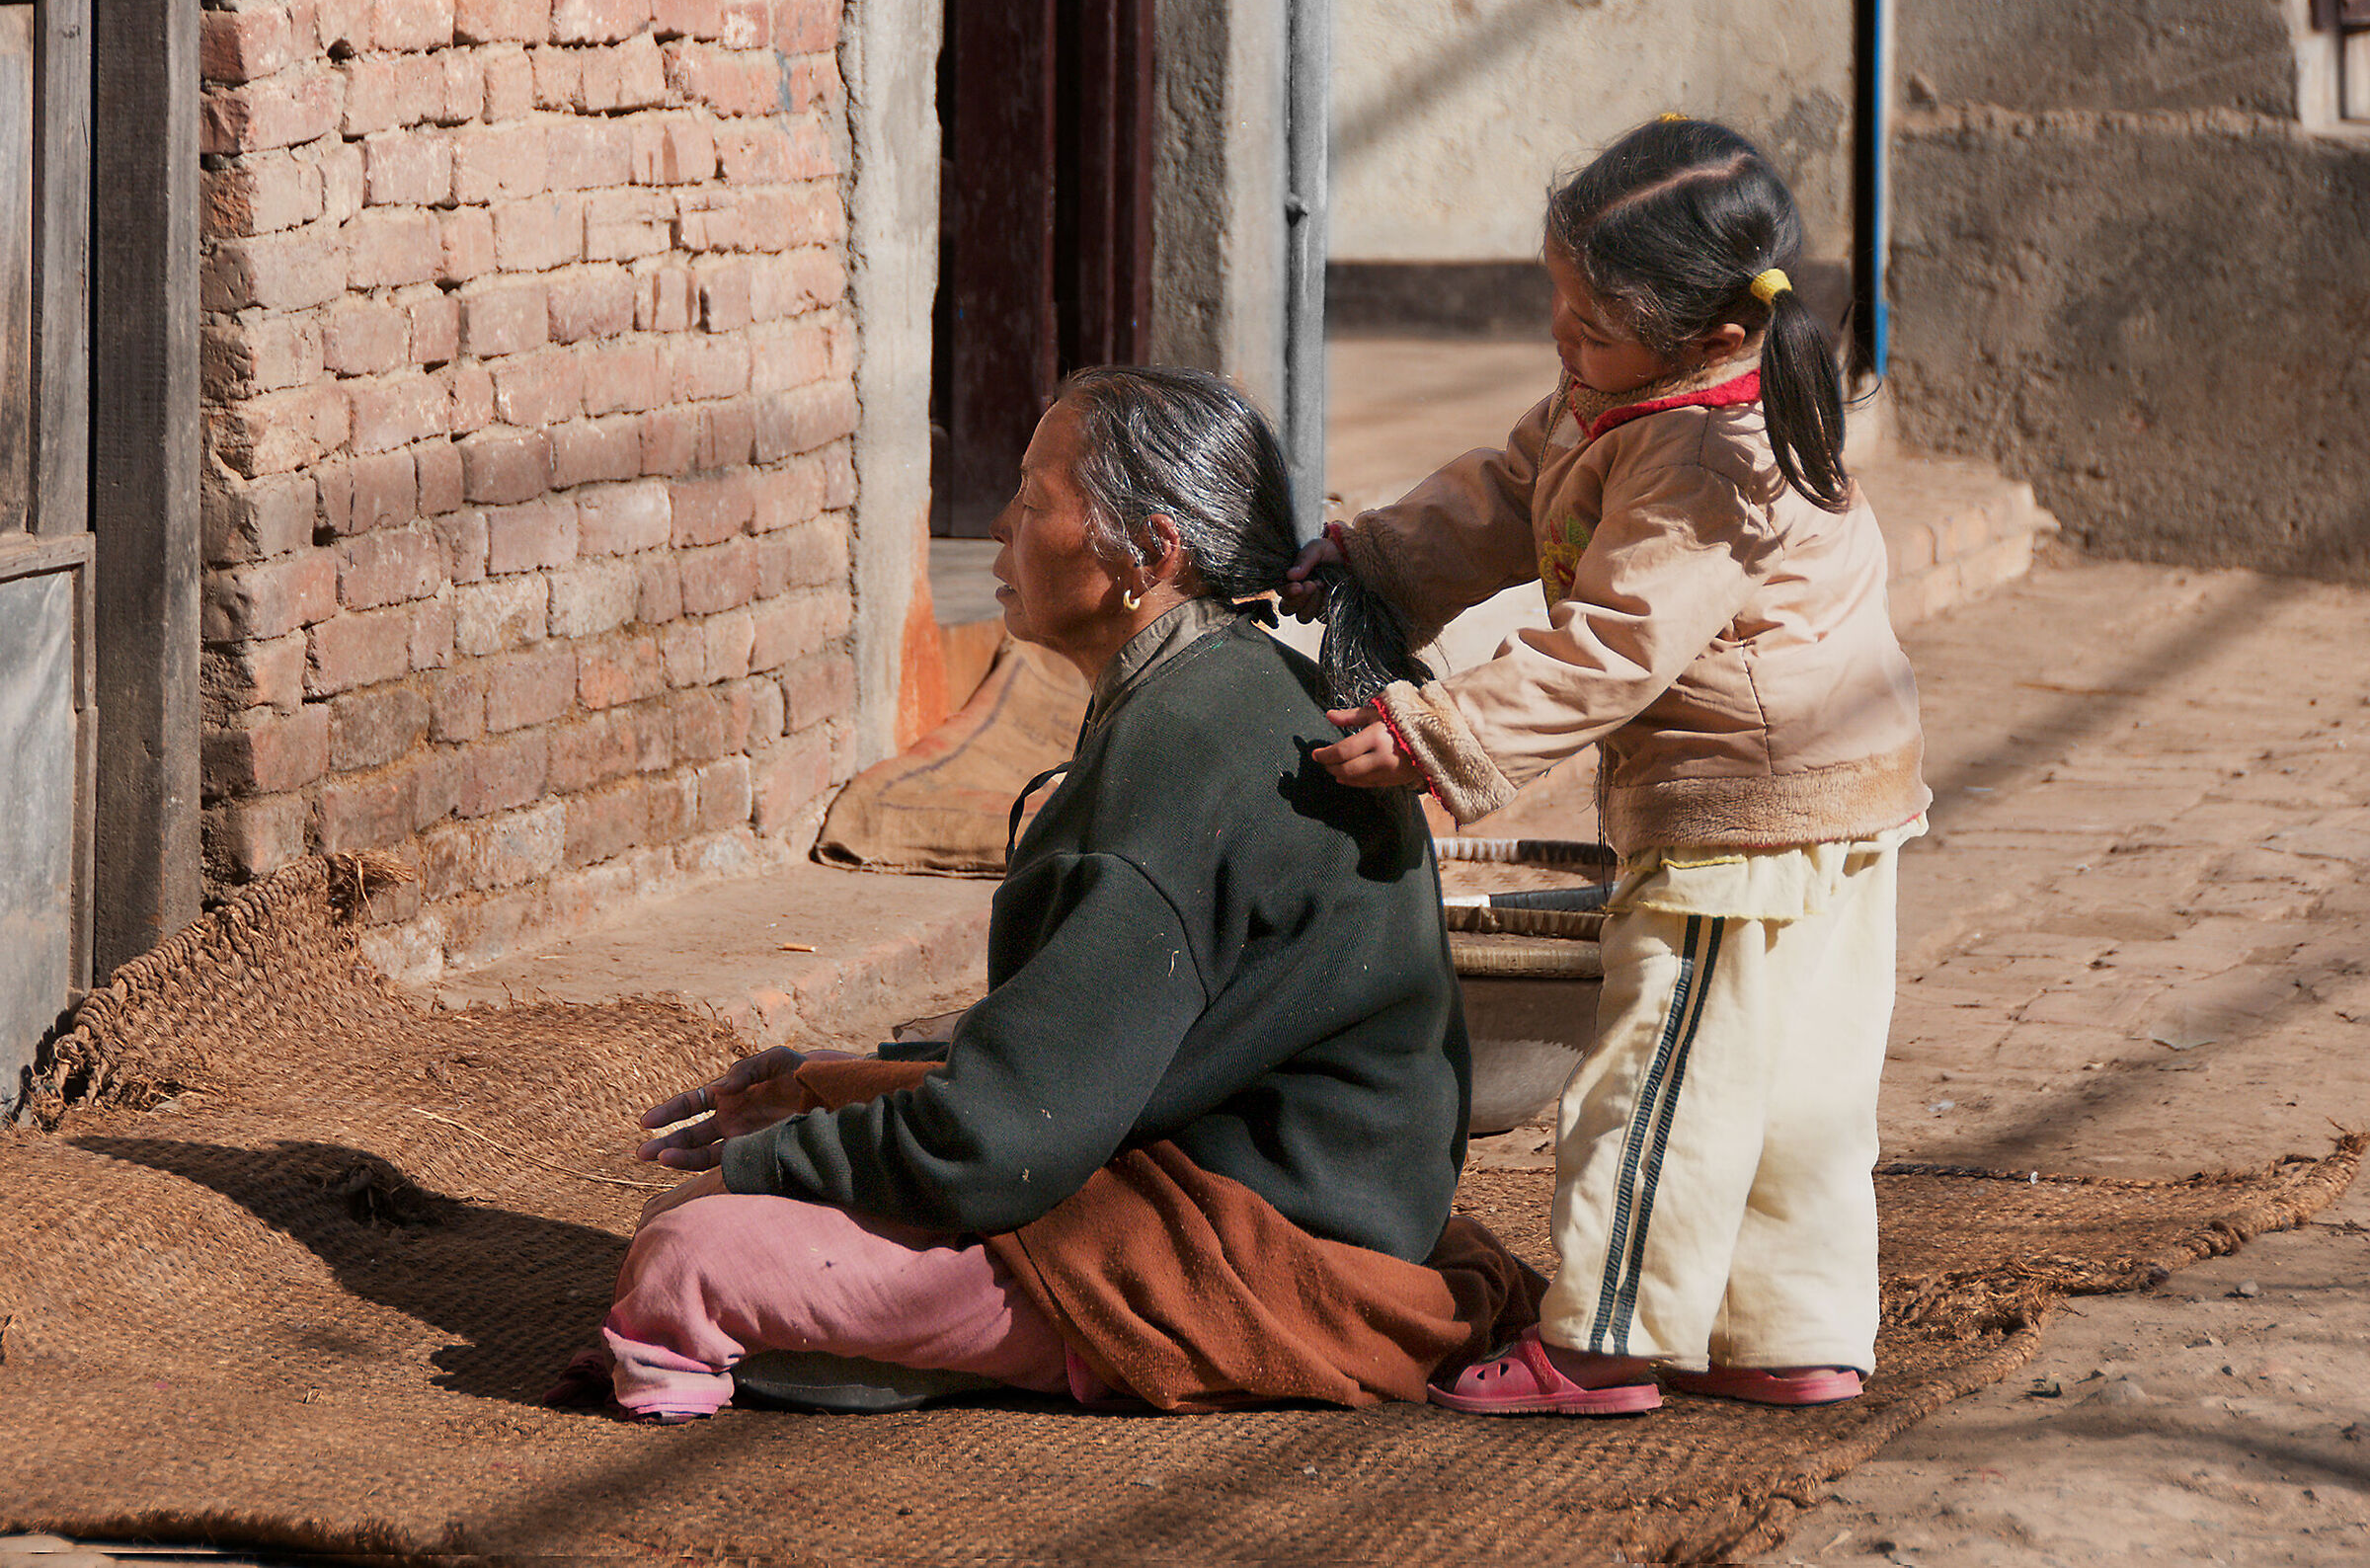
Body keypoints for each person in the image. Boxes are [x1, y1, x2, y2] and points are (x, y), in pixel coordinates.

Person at [577, 365, 1536, 1423]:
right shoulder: (1225, 689)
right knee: (730, 1222)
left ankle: (1059, 1342)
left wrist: (777, 1159)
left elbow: (1008, 1138)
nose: (999, 525)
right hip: (1300, 1190)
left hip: (1256, 1242)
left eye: (1035, 500)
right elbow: (1086, 1056)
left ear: (1149, 552)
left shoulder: (1188, 743)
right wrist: (832, 1085)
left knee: (689, 1252)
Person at [1283, 118, 1929, 1416]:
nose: (1563, 346)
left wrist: (1439, 732)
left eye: (1590, 324)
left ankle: (1604, 1338)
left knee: (1661, 1077)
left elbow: (1611, 645)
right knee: (1792, 1082)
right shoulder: (1624, 398)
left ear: (1710, 335)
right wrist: (1371, 555)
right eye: (1559, 310)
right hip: (1840, 789)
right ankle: (1785, 1329)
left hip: (1743, 820)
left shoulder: (1706, 457)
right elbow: (1511, 491)